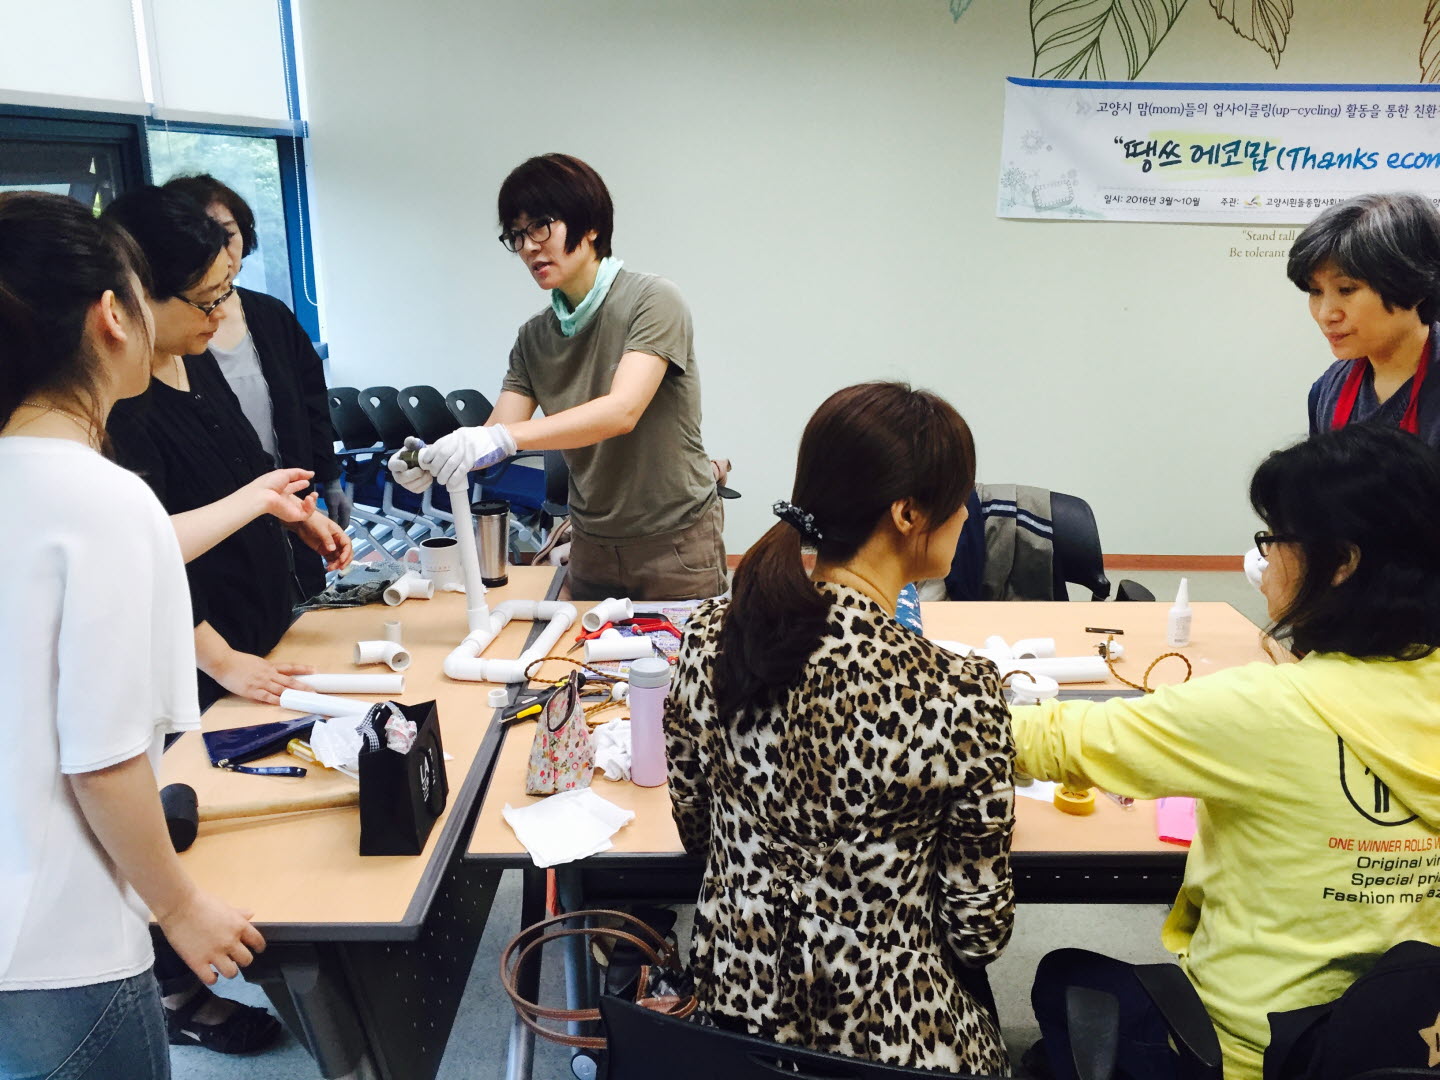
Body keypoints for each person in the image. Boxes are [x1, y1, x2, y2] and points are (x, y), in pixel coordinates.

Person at [1014, 424, 1440, 1080]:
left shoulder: (1265, 708)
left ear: (1342, 562)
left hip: (1249, 1049)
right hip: (1409, 1034)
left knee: (1064, 978)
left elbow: (1045, 740)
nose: (1261, 561)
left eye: (1273, 539)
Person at [664, 382, 1014, 1074]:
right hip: (891, 1044)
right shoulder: (961, 694)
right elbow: (978, 934)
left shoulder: (708, 638)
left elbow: (696, 830)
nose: (966, 514)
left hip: (734, 1026)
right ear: (908, 513)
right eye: (961, 499)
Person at [0, 191, 264, 1079]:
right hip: (59, 944)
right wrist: (180, 908)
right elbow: (102, 760)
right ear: (112, 314)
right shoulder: (103, 499)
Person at [389, 153, 725, 601]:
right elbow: (495, 432)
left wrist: (502, 439)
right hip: (591, 543)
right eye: (516, 235)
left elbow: (622, 411)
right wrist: (430, 459)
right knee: (581, 649)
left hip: (674, 541)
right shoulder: (534, 337)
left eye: (540, 226)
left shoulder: (652, 300)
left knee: (682, 649)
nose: (528, 246)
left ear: (591, 226)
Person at [103, 186, 351, 713]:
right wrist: (219, 658)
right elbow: (142, 555)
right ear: (136, 296)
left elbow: (241, 459)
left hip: (260, 637)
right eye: (206, 299)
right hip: (202, 670)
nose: (220, 315)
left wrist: (292, 514)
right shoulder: (119, 406)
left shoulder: (190, 354)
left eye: (226, 292)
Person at [162, 174, 346, 599]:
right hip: (215, 527)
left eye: (227, 234)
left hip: (290, 500)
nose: (219, 251)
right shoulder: (174, 344)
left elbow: (311, 402)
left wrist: (330, 477)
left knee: (300, 596)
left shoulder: (270, 314)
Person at [1288, 191, 1440, 451]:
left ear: (1414, 285)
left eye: (1346, 289)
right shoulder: (1328, 390)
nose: (1326, 314)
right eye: (1315, 291)